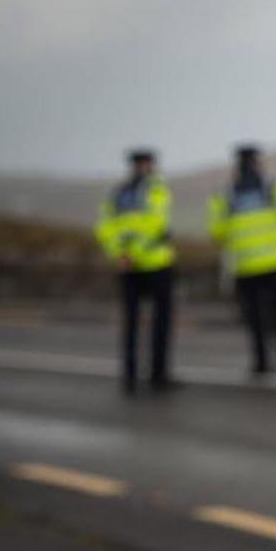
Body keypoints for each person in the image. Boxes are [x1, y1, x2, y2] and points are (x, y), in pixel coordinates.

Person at [208, 145, 276, 374]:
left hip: (245, 265)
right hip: (275, 262)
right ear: (257, 163)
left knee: (255, 319)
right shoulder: (274, 188)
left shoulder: (226, 195)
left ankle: (261, 362)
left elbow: (217, 231)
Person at [94, 149, 177, 394]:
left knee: (135, 322)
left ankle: (135, 375)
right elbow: (157, 224)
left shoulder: (119, 193)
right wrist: (127, 254)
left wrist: (121, 254)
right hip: (154, 263)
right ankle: (153, 376)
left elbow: (106, 229)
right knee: (152, 322)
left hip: (130, 264)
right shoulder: (156, 189)